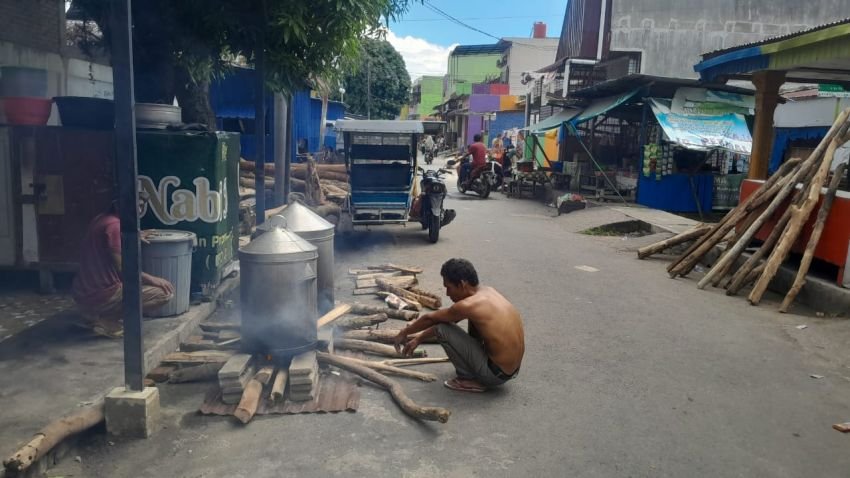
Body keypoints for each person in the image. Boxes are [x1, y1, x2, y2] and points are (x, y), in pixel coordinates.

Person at [393, 258, 525, 392]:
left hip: (494, 375)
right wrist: (419, 339)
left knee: (442, 329)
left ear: (462, 284)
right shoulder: (488, 292)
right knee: (463, 322)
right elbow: (449, 321)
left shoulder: (468, 305)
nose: (447, 293)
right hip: (510, 370)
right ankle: (478, 368)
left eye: (448, 287)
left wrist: (404, 332)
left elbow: (431, 319)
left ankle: (468, 378)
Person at [72, 198, 174, 337]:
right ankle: (106, 320)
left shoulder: (102, 219)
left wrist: (133, 236)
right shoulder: (115, 225)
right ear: (119, 205)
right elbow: (124, 269)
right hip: (102, 295)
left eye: (141, 206)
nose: (138, 210)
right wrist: (152, 279)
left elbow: (109, 239)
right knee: (165, 293)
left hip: (82, 293)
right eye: (135, 205)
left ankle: (91, 315)